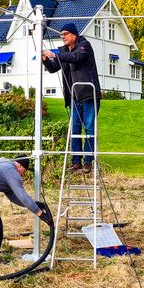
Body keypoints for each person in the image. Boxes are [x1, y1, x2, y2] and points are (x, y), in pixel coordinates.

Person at [41, 22, 101, 174]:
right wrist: (46, 60)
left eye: (65, 34)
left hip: (88, 95)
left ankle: (88, 161)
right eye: (61, 35)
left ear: (74, 34)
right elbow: (54, 68)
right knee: (74, 129)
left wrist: (55, 55)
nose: (63, 37)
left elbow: (77, 57)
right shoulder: (64, 52)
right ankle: (76, 162)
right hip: (74, 97)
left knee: (89, 128)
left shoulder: (84, 46)